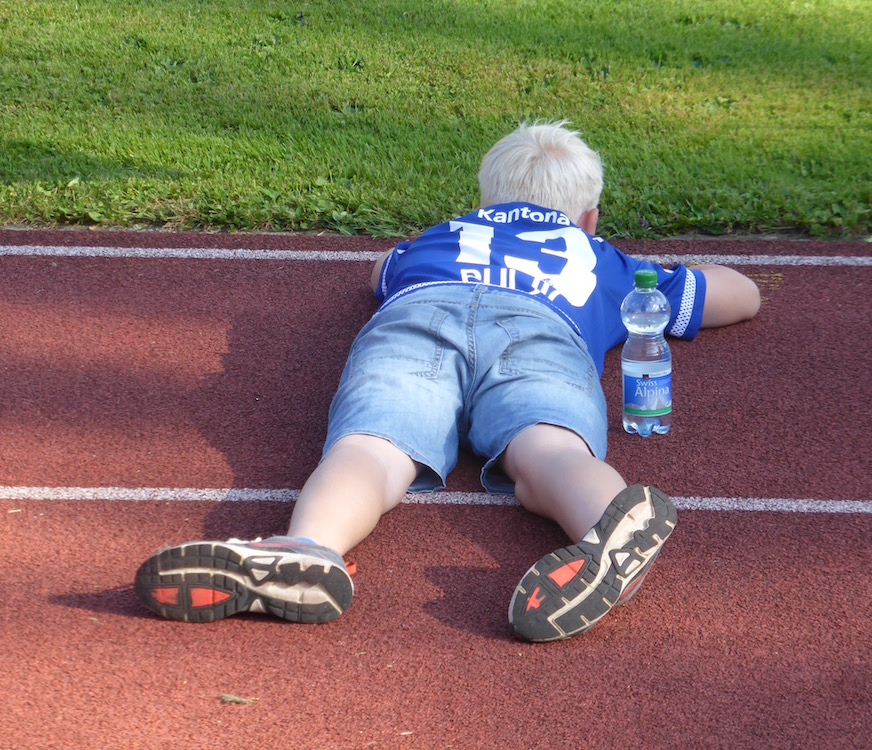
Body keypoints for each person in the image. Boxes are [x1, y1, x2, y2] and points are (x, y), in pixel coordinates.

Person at [134, 121, 761, 641]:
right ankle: (606, 525)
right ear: (589, 217)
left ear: (483, 202)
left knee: (372, 447)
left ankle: (308, 546)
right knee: (550, 447)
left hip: (424, 309)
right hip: (541, 329)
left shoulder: (438, 238)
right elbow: (739, 296)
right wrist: (666, 274)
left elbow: (379, 272)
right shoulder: (603, 261)